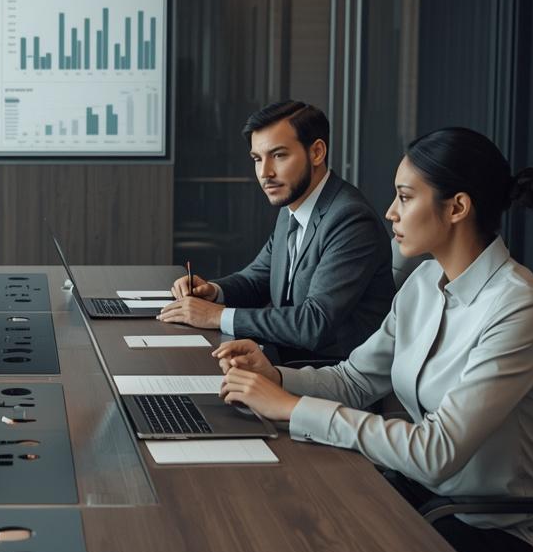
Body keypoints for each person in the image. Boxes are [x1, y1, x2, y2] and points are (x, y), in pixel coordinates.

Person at [216, 127, 533, 552]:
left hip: (495, 535)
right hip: (427, 499)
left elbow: (436, 452)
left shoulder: (519, 309)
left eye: (405, 197)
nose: (390, 212)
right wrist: (274, 378)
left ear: (458, 207)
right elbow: (357, 378)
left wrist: (292, 408)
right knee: (288, 519)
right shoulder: (425, 282)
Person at [161, 100, 393, 362]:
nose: (265, 172)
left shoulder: (350, 219)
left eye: (279, 155)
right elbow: (257, 279)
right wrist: (213, 291)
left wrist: (215, 315)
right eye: (257, 159)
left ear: (317, 152)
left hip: (328, 372)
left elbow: (312, 323)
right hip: (283, 355)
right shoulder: (293, 206)